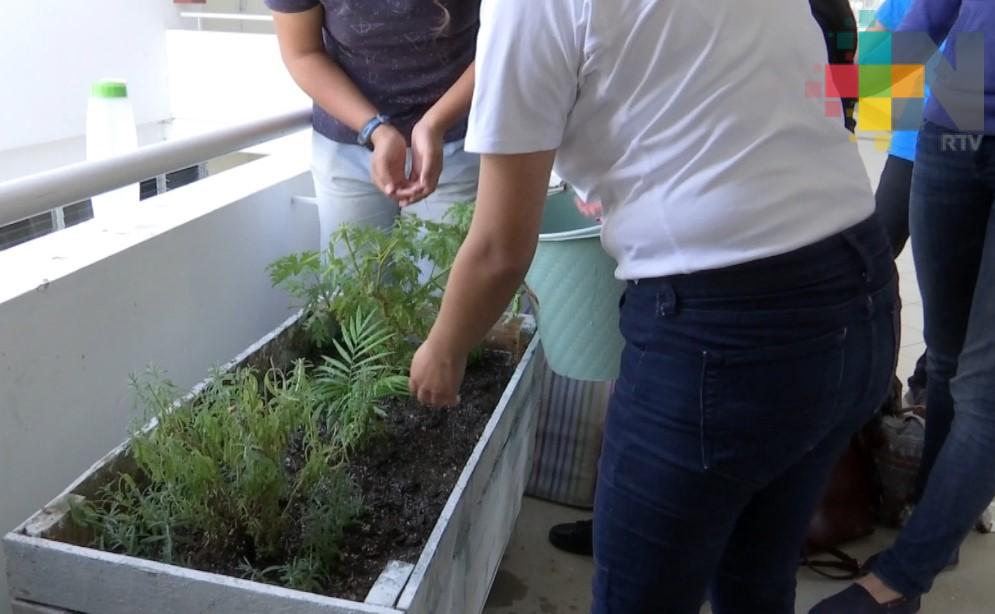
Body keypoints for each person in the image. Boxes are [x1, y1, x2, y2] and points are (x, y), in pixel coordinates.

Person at [409, 1, 897, 613]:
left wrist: (444, 348)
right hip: (860, 287)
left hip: (727, 335)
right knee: (757, 574)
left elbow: (500, 250)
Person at [546, 0, 863, 560]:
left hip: (757, 253)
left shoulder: (826, 15)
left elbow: (834, 108)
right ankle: (630, 513)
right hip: (689, 239)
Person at [813, 1, 995, 612]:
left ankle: (898, 582)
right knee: (943, 359)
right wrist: (818, 99)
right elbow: (930, 18)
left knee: (985, 388)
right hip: (954, 126)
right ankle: (934, 520)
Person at [264, 0, 480, 251]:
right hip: (348, 144)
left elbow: (500, 46)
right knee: (353, 274)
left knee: (445, 275)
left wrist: (435, 124)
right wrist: (373, 128)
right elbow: (302, 53)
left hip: (455, 140)